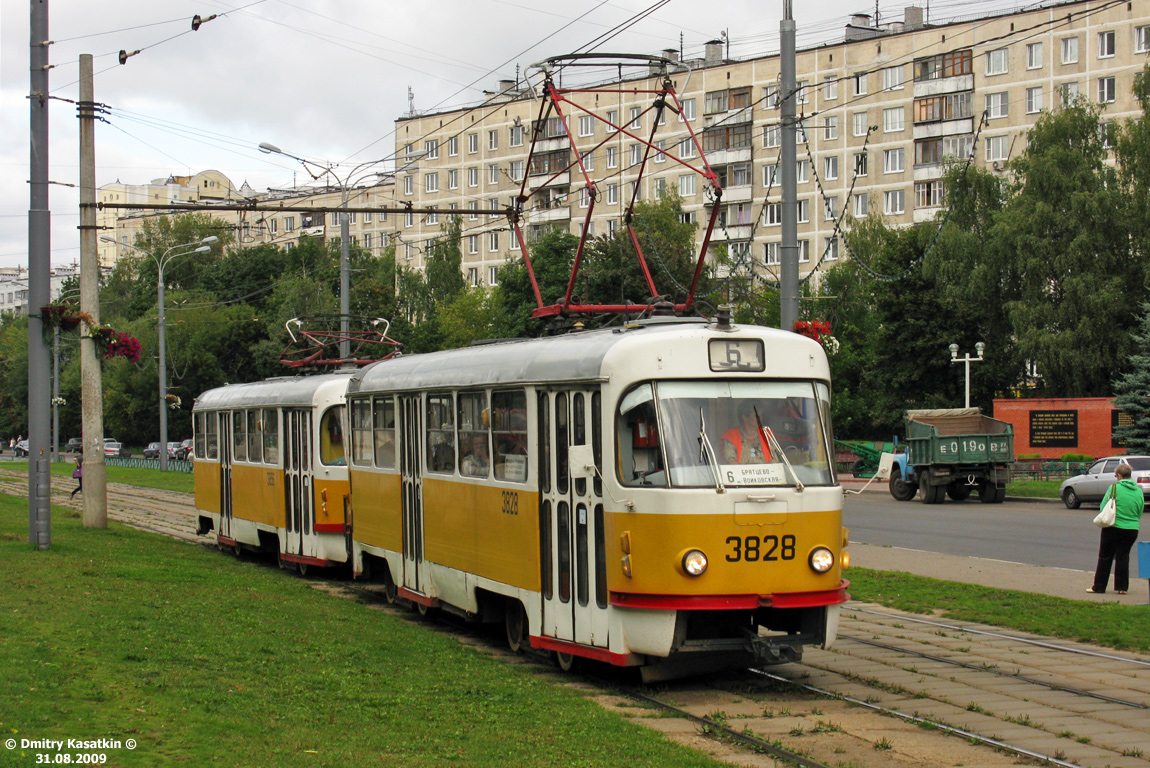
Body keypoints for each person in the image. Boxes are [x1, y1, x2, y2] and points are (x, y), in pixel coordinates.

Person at [1087, 462, 1144, 594]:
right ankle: (1122, 588)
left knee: (1105, 557)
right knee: (1123, 556)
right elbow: (1140, 510)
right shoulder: (1138, 491)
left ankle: (1099, 587)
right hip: (1132, 529)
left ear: (1119, 475)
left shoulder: (1114, 488)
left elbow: (1103, 507)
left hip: (1113, 527)